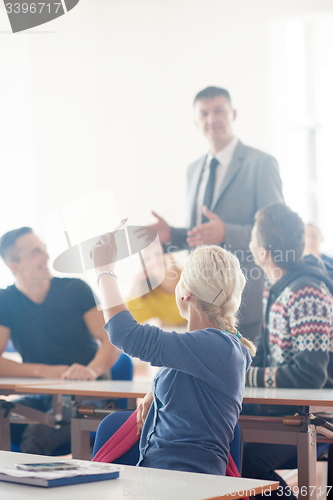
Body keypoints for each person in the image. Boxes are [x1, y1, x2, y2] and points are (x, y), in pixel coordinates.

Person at [91, 233, 255, 475]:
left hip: (185, 480)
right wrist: (156, 392)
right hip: (162, 476)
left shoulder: (216, 346)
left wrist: (104, 271)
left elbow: (124, 334)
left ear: (185, 293)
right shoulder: (217, 346)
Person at [150, 86, 284, 342]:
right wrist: (172, 236)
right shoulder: (194, 169)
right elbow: (202, 234)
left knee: (245, 377)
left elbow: (275, 232)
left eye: (219, 111)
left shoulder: (262, 164)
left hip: (244, 301)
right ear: (196, 121)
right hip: (200, 302)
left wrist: (227, 232)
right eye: (204, 113)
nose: (212, 119)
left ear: (233, 113)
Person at [0, 227, 121, 454]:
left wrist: (91, 371)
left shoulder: (76, 289)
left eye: (44, 249)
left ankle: (29, 488)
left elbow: (113, 340)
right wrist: (44, 371)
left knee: (38, 434)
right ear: (14, 266)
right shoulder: (5, 301)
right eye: (36, 252)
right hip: (41, 395)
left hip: (86, 397)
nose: (46, 256)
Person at [242, 203, 333, 500]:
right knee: (223, 445)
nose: (250, 245)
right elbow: (263, 353)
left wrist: (246, 375)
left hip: (314, 420)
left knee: (246, 460)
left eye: (253, 240)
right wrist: (232, 360)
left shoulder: (306, 292)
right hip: (285, 412)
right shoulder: (278, 288)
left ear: (264, 253)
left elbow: (309, 374)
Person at [126, 246, 186, 327]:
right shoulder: (151, 298)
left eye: (158, 254)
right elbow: (129, 319)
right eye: (148, 258)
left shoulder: (189, 272)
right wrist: (137, 281)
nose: (155, 260)